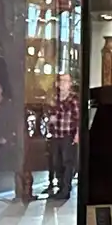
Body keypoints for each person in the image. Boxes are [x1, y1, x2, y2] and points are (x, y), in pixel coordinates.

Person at [46, 73, 80, 202]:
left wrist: (77, 135)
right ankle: (60, 188)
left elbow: (78, 118)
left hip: (67, 135)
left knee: (68, 162)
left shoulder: (73, 100)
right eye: (61, 81)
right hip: (56, 134)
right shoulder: (55, 99)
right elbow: (51, 114)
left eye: (66, 81)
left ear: (70, 84)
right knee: (57, 162)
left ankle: (66, 190)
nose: (63, 83)